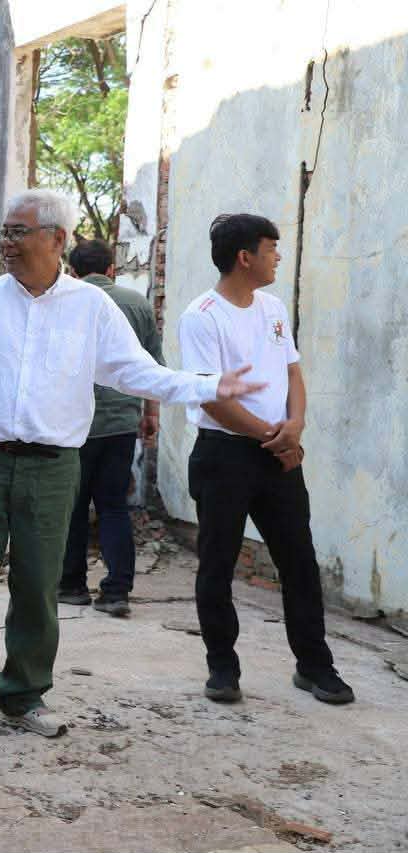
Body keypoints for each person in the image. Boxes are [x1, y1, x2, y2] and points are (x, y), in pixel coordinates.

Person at [0, 189, 265, 743]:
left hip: (52, 467)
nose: (6, 243)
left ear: (57, 239)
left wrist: (208, 385)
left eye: (18, 232)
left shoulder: (91, 307)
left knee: (39, 585)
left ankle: (23, 696)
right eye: (4, 232)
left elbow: (136, 372)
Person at [178, 213, 354, 705]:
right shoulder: (202, 315)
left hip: (280, 455)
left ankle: (315, 667)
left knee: (299, 562)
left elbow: (293, 372)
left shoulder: (272, 307)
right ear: (244, 257)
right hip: (224, 455)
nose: (278, 256)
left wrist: (295, 425)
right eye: (271, 248)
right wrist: (272, 435)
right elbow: (212, 398)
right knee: (217, 565)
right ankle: (222, 669)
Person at [58, 239, 163, 616]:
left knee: (73, 507)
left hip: (74, 425)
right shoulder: (137, 304)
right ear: (112, 269)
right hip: (121, 422)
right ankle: (117, 591)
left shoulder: (65, 302)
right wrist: (151, 415)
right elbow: (152, 366)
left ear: (72, 271)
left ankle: (71, 585)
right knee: (113, 506)